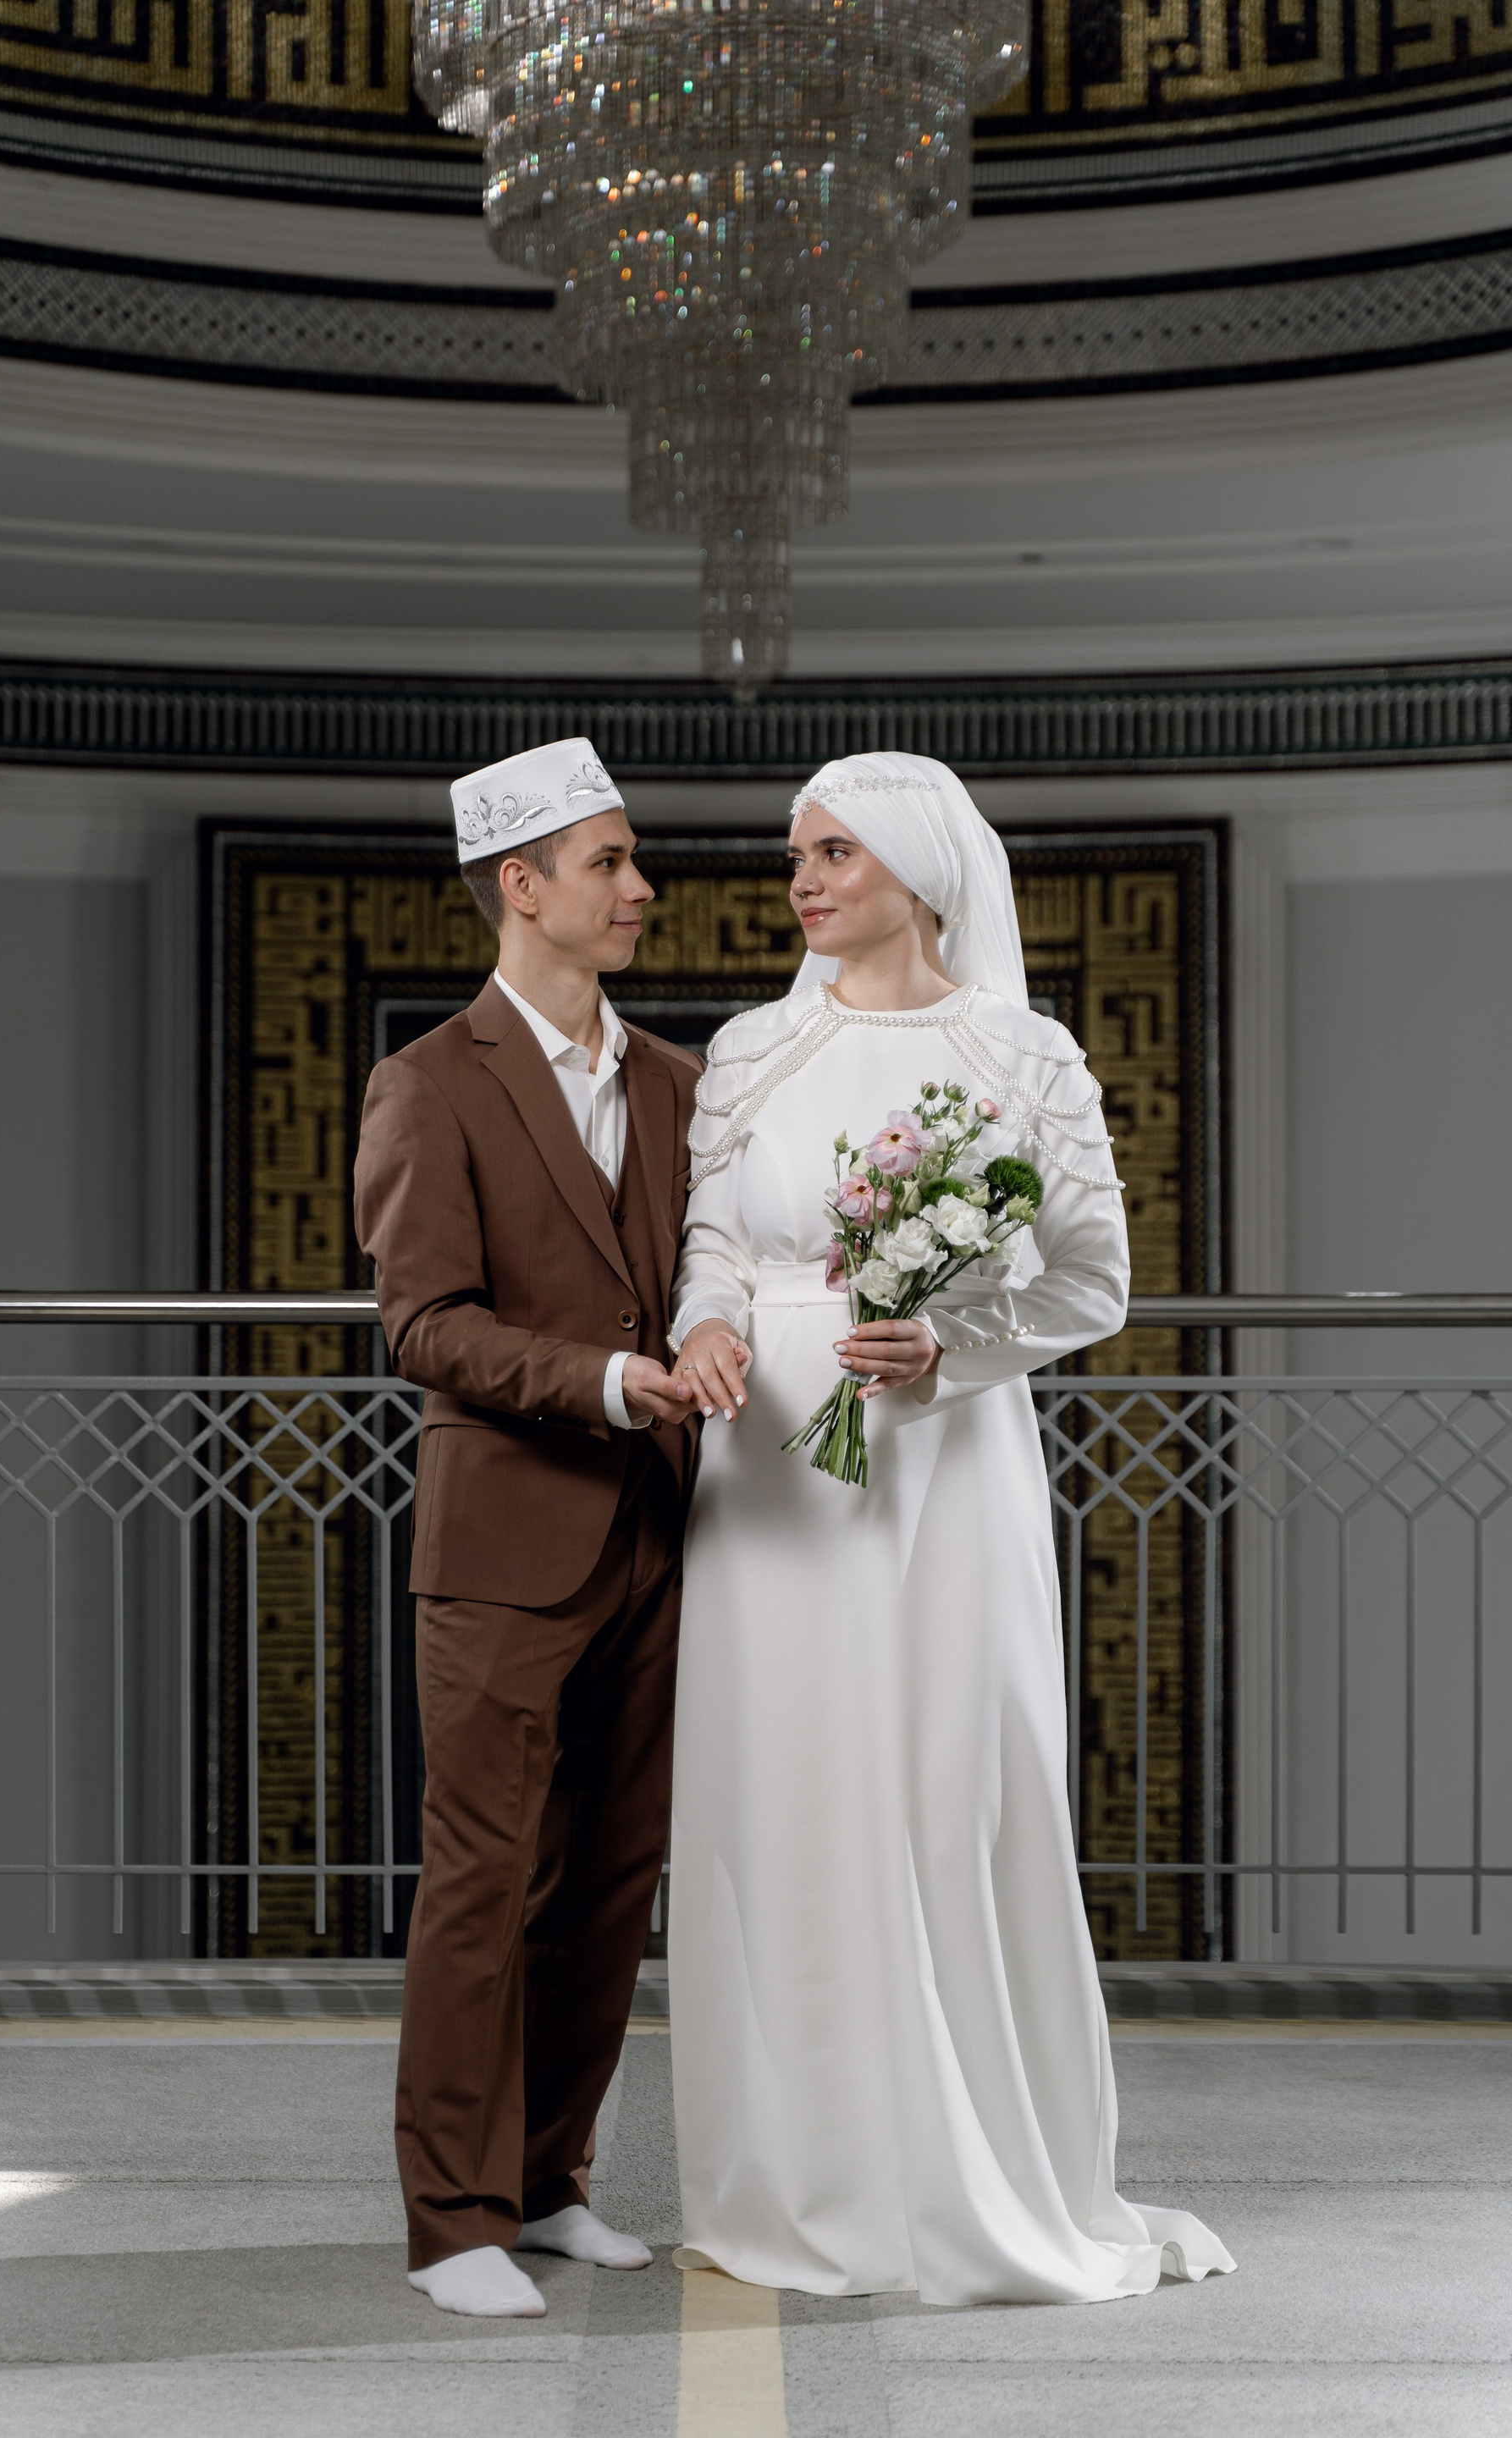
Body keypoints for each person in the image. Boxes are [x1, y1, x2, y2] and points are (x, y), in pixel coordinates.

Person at [666, 752, 1235, 2306]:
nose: (803, 880)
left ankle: (967, 2175)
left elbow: (1093, 1283)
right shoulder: (750, 1050)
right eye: (796, 856)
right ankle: (803, 2175)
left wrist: (952, 1347)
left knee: (942, 1788)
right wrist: (708, 1325)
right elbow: (713, 1244)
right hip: (766, 1462)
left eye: (834, 853)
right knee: (781, 1795)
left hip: (944, 1460)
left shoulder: (1022, 1053)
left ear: (920, 870)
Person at [354, 738, 701, 2319]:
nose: (641, 889)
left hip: (665, 1535)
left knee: (611, 1883)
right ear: (523, 885)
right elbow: (423, 1324)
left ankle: (552, 2182)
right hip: (503, 1547)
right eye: (611, 862)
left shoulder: (680, 1083)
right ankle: (453, 2223)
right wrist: (607, 1383)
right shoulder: (429, 1082)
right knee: (481, 1881)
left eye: (632, 861)